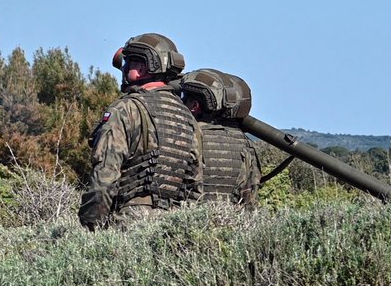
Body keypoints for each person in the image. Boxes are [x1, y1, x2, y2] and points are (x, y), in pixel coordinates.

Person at [79, 33, 203, 229]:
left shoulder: (126, 109)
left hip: (129, 224)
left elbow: (105, 176)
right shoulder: (188, 118)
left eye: (128, 62)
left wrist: (90, 225)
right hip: (173, 231)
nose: (125, 67)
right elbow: (195, 188)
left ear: (143, 67)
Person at [179, 68, 262, 206]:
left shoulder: (188, 136)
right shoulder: (245, 145)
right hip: (229, 223)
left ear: (194, 106)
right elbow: (249, 201)